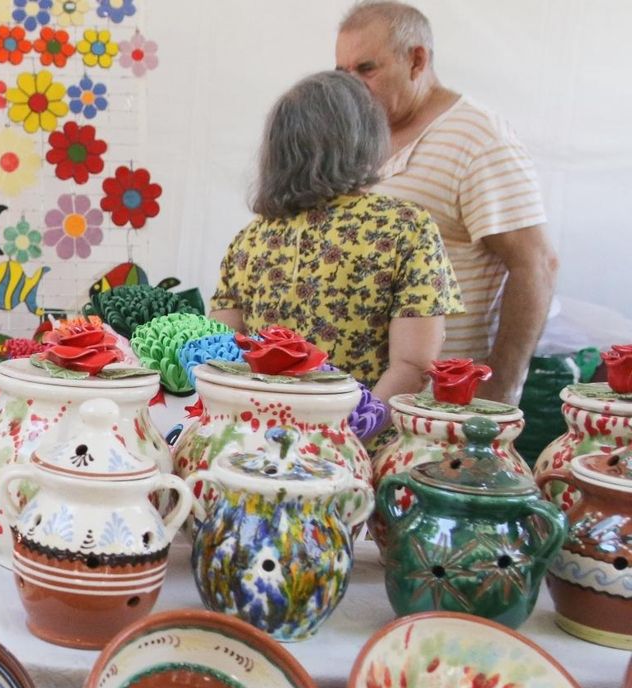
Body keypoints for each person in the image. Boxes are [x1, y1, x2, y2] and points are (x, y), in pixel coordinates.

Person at [336, 1, 558, 403]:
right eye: (343, 73)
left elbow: (536, 264)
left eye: (366, 69)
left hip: (436, 409)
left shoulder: (478, 138)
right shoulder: (359, 136)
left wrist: (500, 387)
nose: (352, 86)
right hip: (358, 399)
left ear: (416, 60)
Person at [210, 70, 461, 400]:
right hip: (359, 446)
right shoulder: (406, 228)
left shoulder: (248, 242)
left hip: (262, 439)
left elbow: (221, 361)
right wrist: (345, 430)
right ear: (366, 137)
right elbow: (413, 367)